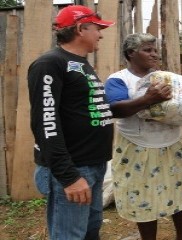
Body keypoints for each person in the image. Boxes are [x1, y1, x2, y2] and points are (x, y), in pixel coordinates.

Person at [28, 5, 114, 240]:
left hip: (93, 165)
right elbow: (45, 122)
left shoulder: (80, 62)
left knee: (90, 230)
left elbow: (86, 109)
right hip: (73, 169)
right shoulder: (49, 64)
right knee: (70, 235)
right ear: (80, 29)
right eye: (97, 28)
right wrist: (69, 177)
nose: (101, 34)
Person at [104, 33, 182, 240]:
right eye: (147, 50)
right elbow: (115, 109)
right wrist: (148, 98)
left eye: (155, 50)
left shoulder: (164, 77)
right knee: (141, 195)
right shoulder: (119, 79)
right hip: (137, 146)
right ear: (131, 53)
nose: (154, 54)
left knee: (179, 191)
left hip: (171, 143)